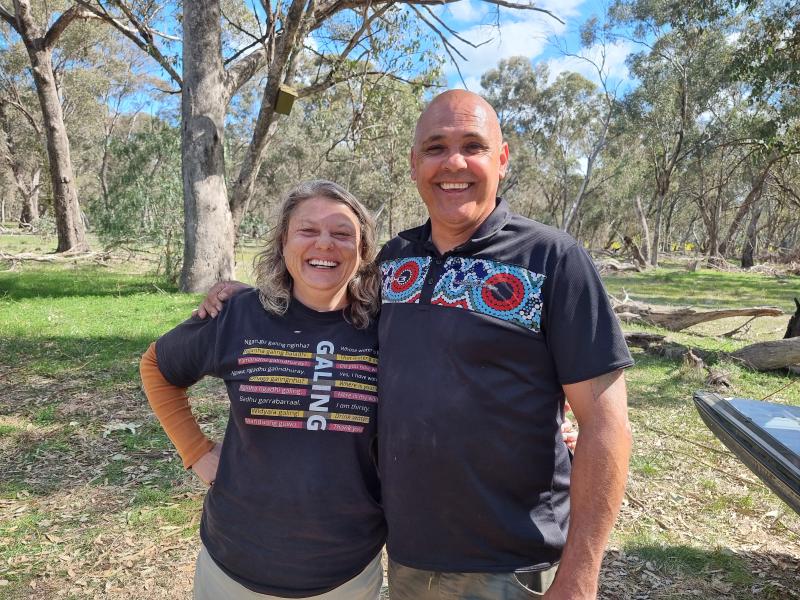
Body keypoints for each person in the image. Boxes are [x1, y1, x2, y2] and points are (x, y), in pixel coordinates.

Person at [200, 90, 633, 599]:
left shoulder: (553, 260)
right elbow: (325, 301)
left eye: (473, 145)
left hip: (510, 561)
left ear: (502, 158)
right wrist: (252, 298)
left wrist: (581, 576)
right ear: (414, 164)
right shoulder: (394, 259)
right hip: (404, 552)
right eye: (435, 147)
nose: (454, 162)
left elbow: (607, 424)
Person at [140, 181, 386, 599]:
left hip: (346, 572)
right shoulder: (239, 314)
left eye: (342, 233)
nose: (324, 244)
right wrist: (195, 451)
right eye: (307, 230)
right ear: (283, 242)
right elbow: (157, 367)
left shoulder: (387, 328)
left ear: (361, 250)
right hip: (235, 565)